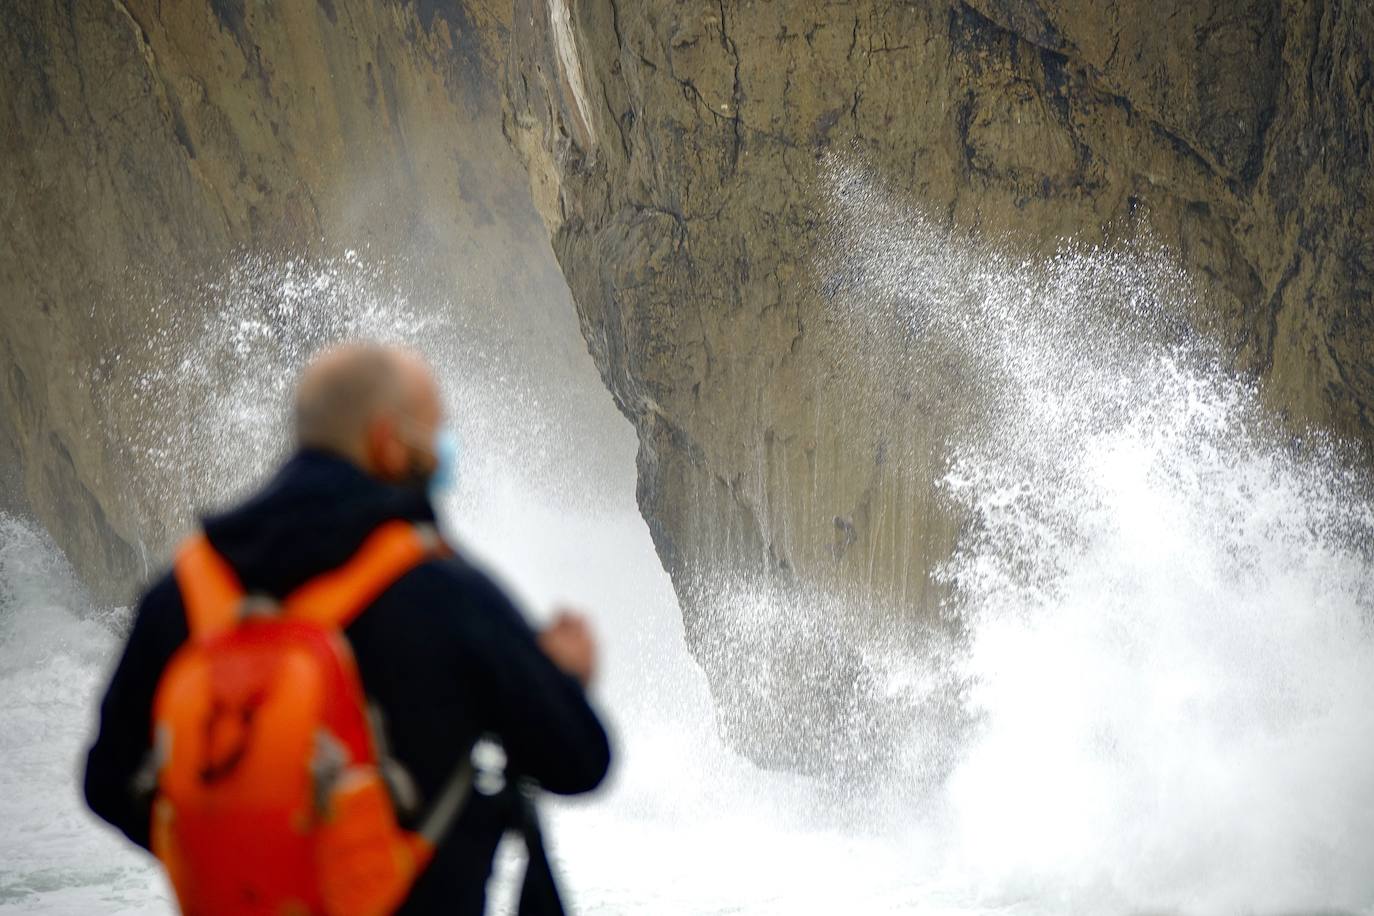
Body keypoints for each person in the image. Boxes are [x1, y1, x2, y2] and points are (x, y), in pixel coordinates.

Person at [84, 343, 611, 914]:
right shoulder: (442, 590)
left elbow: (107, 781)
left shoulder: (187, 590)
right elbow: (579, 760)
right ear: (388, 442)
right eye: (434, 433)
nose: (442, 452)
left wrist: (252, 858)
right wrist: (564, 677)